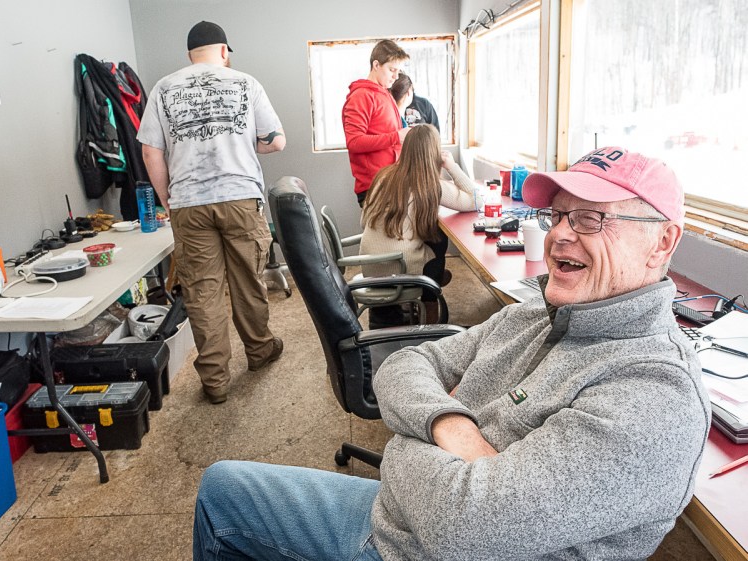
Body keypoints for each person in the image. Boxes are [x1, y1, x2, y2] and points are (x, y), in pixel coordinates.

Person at [193, 147, 710, 560]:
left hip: (411, 543)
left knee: (223, 502)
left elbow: (459, 528)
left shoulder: (654, 398)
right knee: (220, 487)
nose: (558, 236)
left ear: (663, 241)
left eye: (591, 220)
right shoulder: (536, 311)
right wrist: (450, 425)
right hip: (403, 519)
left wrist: (406, 437)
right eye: (557, 216)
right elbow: (404, 365)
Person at [137, 21, 286, 405]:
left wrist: (167, 199)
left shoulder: (164, 88)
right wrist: (246, 145)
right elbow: (276, 141)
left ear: (190, 55)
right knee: (248, 281)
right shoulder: (244, 83)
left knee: (202, 292)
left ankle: (216, 381)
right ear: (224, 51)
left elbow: (150, 151)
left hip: (188, 202)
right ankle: (259, 351)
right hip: (239, 197)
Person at [361, 124, 482, 323]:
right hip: (397, 268)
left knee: (429, 235)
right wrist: (452, 166)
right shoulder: (430, 185)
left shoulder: (383, 176)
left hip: (370, 266)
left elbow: (363, 221)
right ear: (434, 153)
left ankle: (432, 283)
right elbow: (476, 201)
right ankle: (430, 305)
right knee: (438, 238)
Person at [342, 39, 410, 207]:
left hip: (392, 183)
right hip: (376, 188)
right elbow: (354, 142)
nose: (396, 76)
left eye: (398, 71)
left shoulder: (385, 94)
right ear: (376, 65)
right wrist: (396, 137)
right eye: (392, 70)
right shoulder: (362, 96)